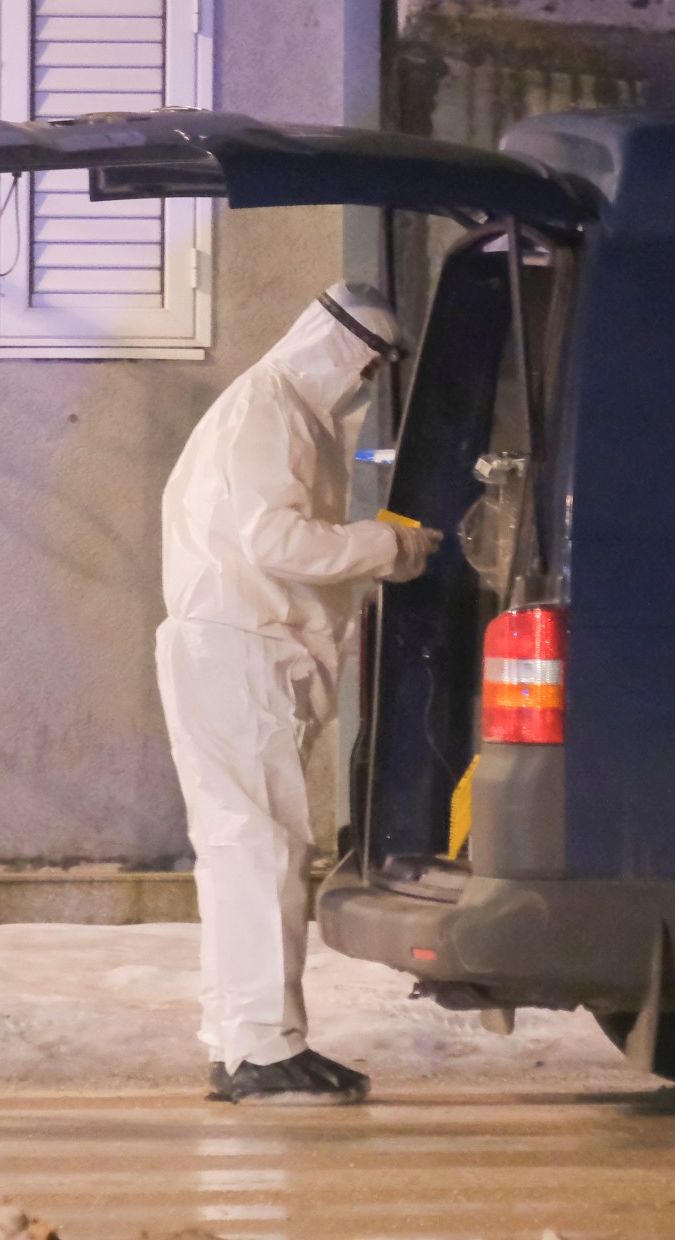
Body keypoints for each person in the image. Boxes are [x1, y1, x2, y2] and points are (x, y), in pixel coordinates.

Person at [157, 283, 442, 1105]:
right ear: (344, 350)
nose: (368, 383)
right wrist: (389, 548)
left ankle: (245, 1040)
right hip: (243, 649)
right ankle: (263, 1052)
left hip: (236, 647)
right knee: (262, 851)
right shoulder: (270, 409)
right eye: (371, 365)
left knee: (244, 850)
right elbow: (275, 540)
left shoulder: (269, 407)